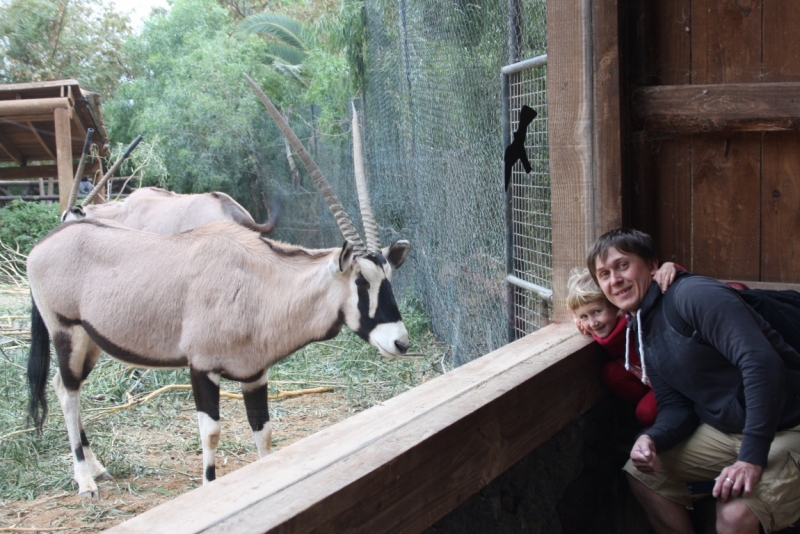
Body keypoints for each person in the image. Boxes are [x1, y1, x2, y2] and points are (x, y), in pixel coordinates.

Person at [586, 228, 800, 534]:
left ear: (652, 265)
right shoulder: (643, 326)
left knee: (733, 514)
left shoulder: (692, 295)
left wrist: (750, 459)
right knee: (642, 474)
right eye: (604, 274)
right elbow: (676, 405)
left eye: (622, 265)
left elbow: (762, 363)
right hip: (732, 430)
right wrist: (652, 438)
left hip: (790, 424)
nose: (614, 279)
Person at [567, 266, 676, 427]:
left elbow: (658, 289)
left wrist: (670, 267)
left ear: (615, 305)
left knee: (646, 414)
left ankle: (665, 417)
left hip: (670, 383)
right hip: (646, 379)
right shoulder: (603, 325)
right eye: (584, 316)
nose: (592, 322)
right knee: (611, 373)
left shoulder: (631, 318)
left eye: (597, 311)